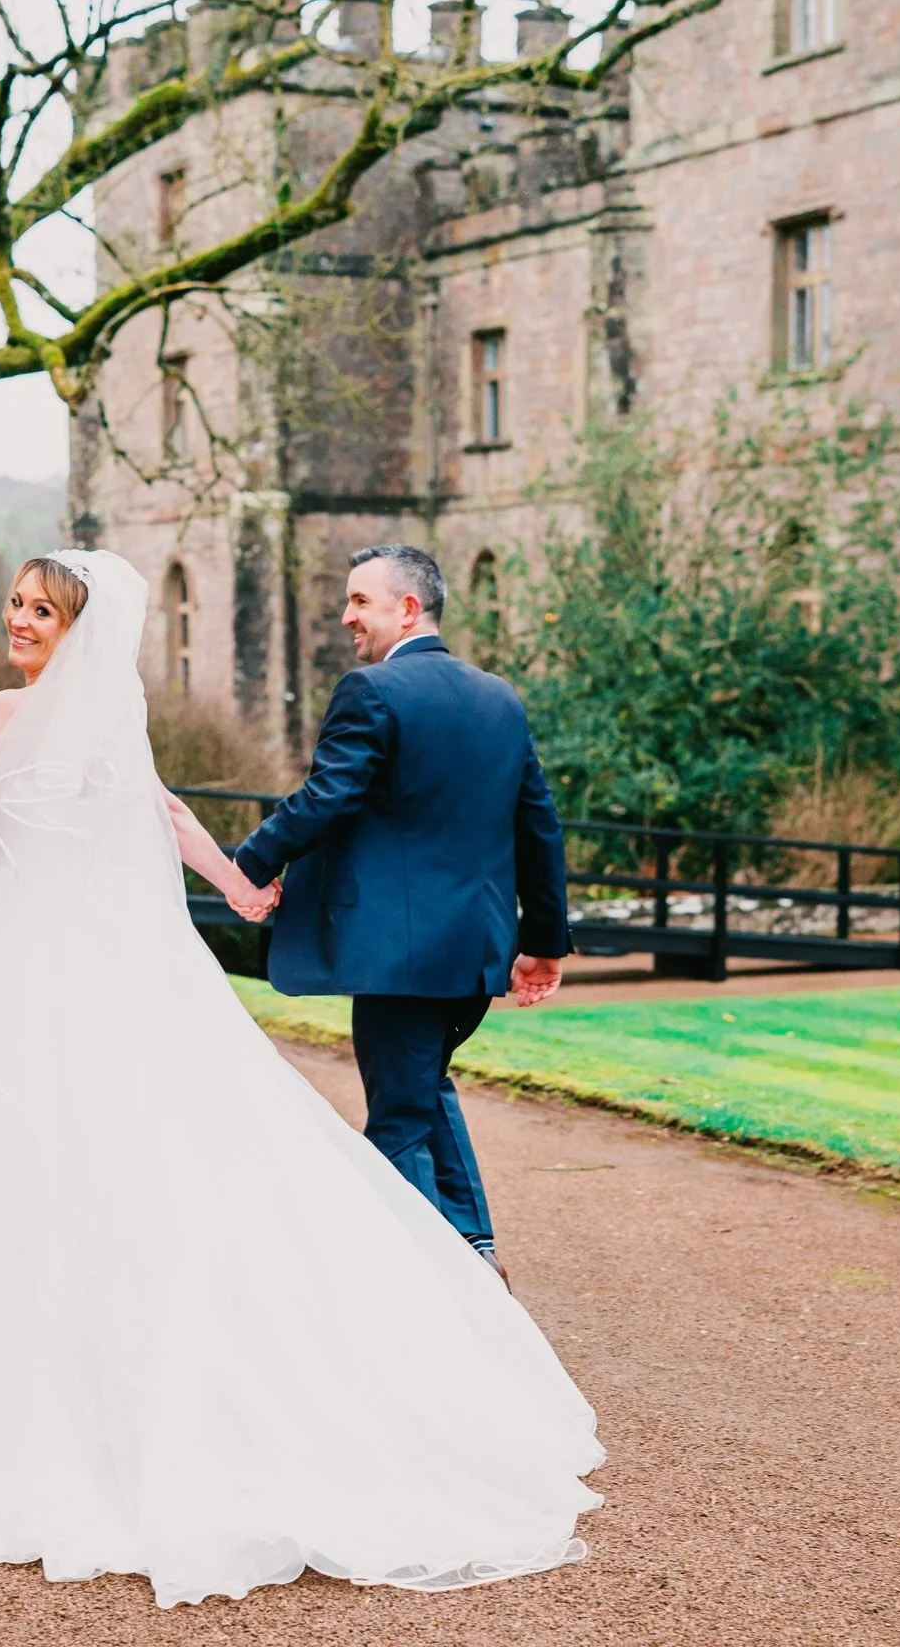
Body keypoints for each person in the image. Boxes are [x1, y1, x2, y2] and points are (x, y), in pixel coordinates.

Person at [0, 550, 601, 1609]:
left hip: (30, 969)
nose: (20, 620)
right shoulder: (121, 724)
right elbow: (172, 817)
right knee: (310, 1119)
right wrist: (241, 880)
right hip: (201, 961)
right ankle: (463, 1261)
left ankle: (446, 1272)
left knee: (12, 1156)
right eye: (17, 603)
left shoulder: (12, 714)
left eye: (39, 609)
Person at [233, 544, 571, 1287]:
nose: (347, 616)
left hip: (401, 956)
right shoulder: (499, 699)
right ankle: (474, 1251)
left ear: (407, 608)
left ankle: (427, 1290)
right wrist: (544, 940)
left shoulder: (373, 692)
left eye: (360, 600)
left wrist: (247, 864)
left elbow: (329, 797)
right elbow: (537, 824)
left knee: (396, 1120)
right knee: (420, 1089)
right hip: (473, 951)